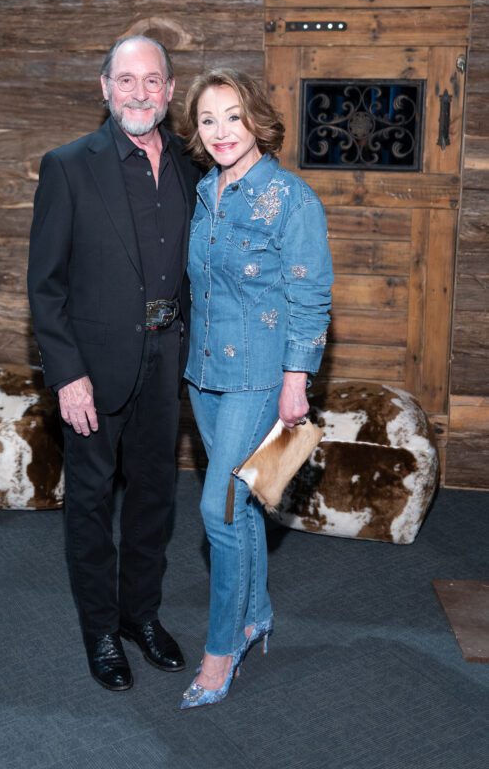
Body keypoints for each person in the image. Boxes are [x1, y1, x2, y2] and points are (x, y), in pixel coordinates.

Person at [27, 35, 200, 691]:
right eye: (125, 80)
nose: (139, 92)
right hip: (93, 370)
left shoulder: (191, 165)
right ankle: (100, 629)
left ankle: (140, 616)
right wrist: (66, 375)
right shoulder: (68, 167)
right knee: (92, 504)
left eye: (152, 80)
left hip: (166, 360)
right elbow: (45, 286)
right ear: (104, 88)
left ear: (170, 90)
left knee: (155, 498)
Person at [178, 67, 333, 709]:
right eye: (208, 119)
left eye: (233, 117)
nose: (221, 131)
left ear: (257, 121)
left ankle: (221, 649)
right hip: (203, 376)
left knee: (217, 510)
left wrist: (297, 381)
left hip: (259, 379)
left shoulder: (292, 199)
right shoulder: (204, 192)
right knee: (240, 506)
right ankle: (257, 613)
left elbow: (310, 297)